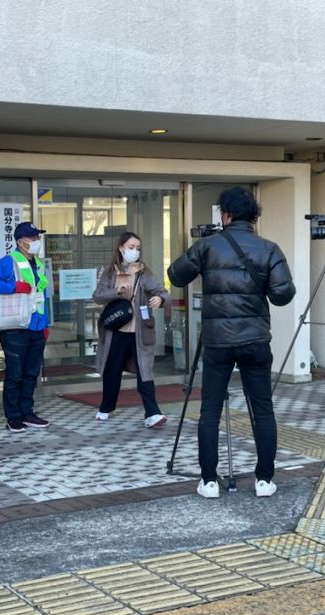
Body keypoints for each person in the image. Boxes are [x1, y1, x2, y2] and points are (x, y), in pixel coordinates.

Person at [168, 187, 295, 499]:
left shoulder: (207, 246)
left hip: (218, 341)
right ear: (253, 216)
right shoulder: (269, 248)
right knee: (262, 409)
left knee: (210, 410)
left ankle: (209, 481)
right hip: (255, 339)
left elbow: (176, 275)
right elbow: (282, 295)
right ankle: (264, 480)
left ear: (225, 215)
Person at [92, 232, 171, 427]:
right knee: (112, 371)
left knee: (145, 372)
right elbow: (98, 296)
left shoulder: (144, 272)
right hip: (116, 331)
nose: (135, 251)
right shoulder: (110, 272)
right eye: (131, 247)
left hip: (140, 332)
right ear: (121, 248)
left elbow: (163, 292)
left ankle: (152, 413)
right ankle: (106, 407)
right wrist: (116, 292)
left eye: (137, 248)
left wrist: (160, 299)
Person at [0, 221, 52, 433]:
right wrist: (14, 286)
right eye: (33, 238)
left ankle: (27, 412)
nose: (37, 241)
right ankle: (13, 417)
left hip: (36, 326)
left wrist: (45, 323)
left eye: (37, 237)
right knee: (15, 374)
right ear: (21, 242)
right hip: (15, 328)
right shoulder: (9, 262)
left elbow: (42, 296)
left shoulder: (38, 264)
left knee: (31, 373)